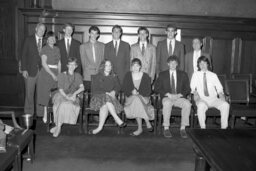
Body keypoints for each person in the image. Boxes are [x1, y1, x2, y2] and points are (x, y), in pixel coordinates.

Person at [154, 55, 191, 138]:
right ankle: (166, 128)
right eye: (171, 63)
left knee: (187, 104)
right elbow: (156, 88)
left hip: (179, 97)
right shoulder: (162, 74)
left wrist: (179, 95)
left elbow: (187, 88)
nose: (173, 65)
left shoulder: (183, 74)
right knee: (167, 104)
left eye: (175, 63)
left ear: (177, 64)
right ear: (168, 64)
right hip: (167, 97)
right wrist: (167, 94)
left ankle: (183, 128)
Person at [190, 56, 229, 129]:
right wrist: (195, 94)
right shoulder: (195, 74)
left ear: (207, 64)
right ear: (198, 65)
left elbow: (219, 88)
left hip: (213, 99)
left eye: (204, 63)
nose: (203, 65)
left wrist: (221, 95)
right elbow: (192, 88)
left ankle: (224, 128)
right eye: (200, 64)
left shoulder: (213, 75)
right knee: (201, 106)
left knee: (225, 105)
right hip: (202, 99)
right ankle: (203, 128)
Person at [89, 60, 126, 134]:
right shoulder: (97, 76)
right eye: (106, 65)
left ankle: (99, 128)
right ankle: (116, 118)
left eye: (110, 65)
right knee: (106, 97)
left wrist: (114, 91)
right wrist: (105, 93)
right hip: (97, 99)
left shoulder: (114, 76)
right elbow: (94, 91)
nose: (109, 67)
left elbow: (118, 87)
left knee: (105, 105)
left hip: (110, 101)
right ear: (103, 66)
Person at [50, 57, 84, 137]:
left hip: (72, 94)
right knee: (57, 105)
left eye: (73, 65)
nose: (72, 66)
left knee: (64, 105)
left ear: (76, 66)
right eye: (70, 64)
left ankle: (57, 127)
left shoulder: (78, 75)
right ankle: (58, 126)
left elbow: (82, 88)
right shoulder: (62, 75)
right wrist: (67, 97)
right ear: (67, 65)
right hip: (62, 94)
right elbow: (61, 89)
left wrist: (75, 94)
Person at [122, 58, 154, 136]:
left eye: (137, 66)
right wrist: (131, 92)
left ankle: (140, 129)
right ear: (131, 67)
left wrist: (139, 93)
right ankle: (147, 121)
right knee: (136, 99)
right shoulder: (128, 75)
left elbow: (148, 91)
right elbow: (124, 88)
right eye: (133, 66)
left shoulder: (145, 76)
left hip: (143, 98)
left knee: (137, 100)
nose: (135, 68)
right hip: (130, 98)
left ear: (140, 66)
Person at [20, 23, 46, 116]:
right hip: (30, 71)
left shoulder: (46, 41)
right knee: (29, 94)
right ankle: (28, 113)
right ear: (36, 29)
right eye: (40, 29)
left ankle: (40, 113)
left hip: (42, 72)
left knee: (41, 94)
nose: (42, 31)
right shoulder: (28, 39)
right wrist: (24, 69)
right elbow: (23, 55)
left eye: (43, 30)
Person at [37, 31, 61, 122]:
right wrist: (52, 74)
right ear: (47, 40)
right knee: (46, 94)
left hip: (56, 73)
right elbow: (43, 63)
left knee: (54, 94)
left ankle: (53, 115)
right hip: (46, 74)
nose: (52, 39)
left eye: (54, 38)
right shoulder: (44, 49)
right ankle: (46, 115)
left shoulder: (57, 49)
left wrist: (58, 75)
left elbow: (59, 63)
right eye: (50, 38)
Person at [80, 25, 105, 91]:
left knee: (98, 96)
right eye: (92, 33)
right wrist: (85, 73)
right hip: (88, 75)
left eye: (95, 33)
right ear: (89, 34)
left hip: (99, 75)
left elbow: (103, 61)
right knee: (88, 96)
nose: (94, 35)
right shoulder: (83, 46)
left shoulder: (102, 46)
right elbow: (83, 62)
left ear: (98, 35)